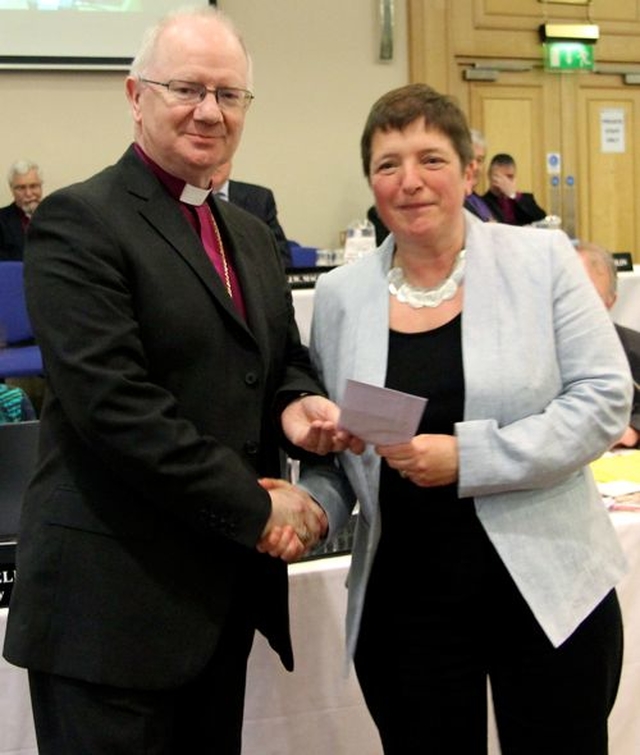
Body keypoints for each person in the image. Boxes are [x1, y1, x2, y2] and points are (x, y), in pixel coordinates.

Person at [2, 7, 358, 754]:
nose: (209, 111)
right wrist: (257, 508)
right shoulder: (79, 221)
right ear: (136, 96)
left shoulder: (252, 236)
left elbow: (283, 356)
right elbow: (118, 408)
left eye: (229, 95)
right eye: (186, 88)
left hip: (212, 606)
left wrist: (297, 407)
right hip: (108, 611)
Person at [297, 83, 632, 754]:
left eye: (431, 159)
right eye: (389, 164)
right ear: (371, 180)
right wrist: (312, 505)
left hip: (546, 589)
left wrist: (468, 458)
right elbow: (339, 449)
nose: (410, 181)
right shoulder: (338, 297)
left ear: (469, 170)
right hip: (407, 601)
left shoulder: (542, 263)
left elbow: (603, 398)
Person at [577, 240, 640, 448]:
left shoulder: (633, 348)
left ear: (610, 302)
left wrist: (634, 428)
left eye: (592, 301)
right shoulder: (525, 351)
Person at [211, 160, 293, 267]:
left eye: (221, 160)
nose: (215, 165)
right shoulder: (183, 198)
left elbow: (280, 255)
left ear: (230, 162)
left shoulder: (259, 198)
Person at [482, 152, 547, 226]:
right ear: (489, 176)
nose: (504, 182)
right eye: (498, 177)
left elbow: (542, 220)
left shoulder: (526, 199)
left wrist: (513, 195)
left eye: (509, 177)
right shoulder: (482, 203)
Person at [0, 159, 43, 260]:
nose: (28, 194)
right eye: (21, 188)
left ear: (41, 187)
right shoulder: (1, 221)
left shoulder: (57, 217)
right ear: (12, 190)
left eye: (33, 186)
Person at [463, 129, 495, 221]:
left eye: (479, 160)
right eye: (469, 158)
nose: (475, 167)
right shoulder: (454, 202)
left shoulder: (480, 200)